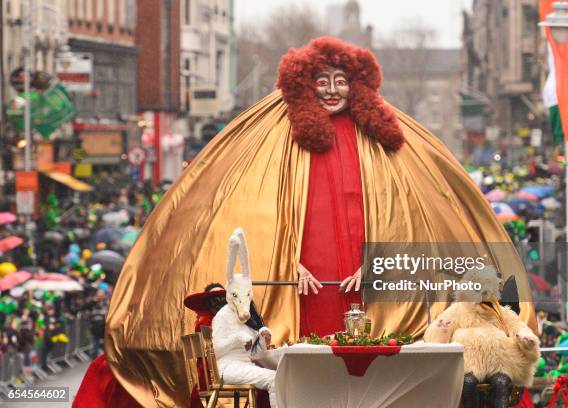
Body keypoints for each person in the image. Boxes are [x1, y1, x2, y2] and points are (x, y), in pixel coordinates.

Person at [103, 37, 537, 406]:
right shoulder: (270, 137)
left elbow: (406, 221)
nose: (331, 90)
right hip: (305, 291)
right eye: (322, 81)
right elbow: (255, 221)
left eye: (340, 81)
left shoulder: (387, 139)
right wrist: (289, 266)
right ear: (304, 84)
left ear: (356, 84)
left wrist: (374, 267)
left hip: (362, 288)